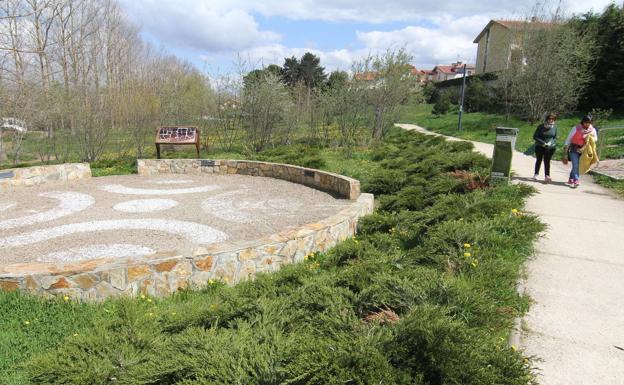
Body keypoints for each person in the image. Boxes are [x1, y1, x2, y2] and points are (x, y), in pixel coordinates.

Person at [563, 116, 598, 187]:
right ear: (582, 122)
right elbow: (568, 138)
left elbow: (596, 139)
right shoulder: (575, 128)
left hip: (585, 150)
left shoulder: (592, 130)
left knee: (577, 166)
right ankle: (576, 180)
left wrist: (590, 137)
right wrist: (565, 149)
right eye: (585, 122)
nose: (587, 124)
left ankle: (571, 179)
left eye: (589, 122)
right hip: (574, 149)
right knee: (576, 165)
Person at [532, 113, 558, 183]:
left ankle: (547, 176)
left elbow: (555, 137)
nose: (551, 120)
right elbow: (535, 136)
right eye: (549, 119)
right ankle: (536, 174)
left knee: (547, 161)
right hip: (539, 146)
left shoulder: (555, 127)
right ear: (547, 119)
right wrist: (543, 143)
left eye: (552, 119)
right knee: (539, 160)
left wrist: (551, 143)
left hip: (549, 147)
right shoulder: (541, 126)